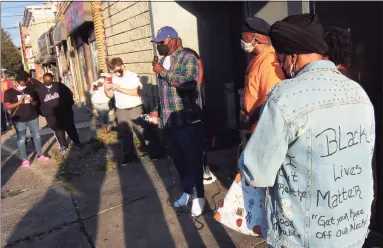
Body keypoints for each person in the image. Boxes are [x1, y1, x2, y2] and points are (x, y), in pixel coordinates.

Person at [239, 14, 375, 247]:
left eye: (280, 57)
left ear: (293, 56)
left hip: (302, 238)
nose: (279, 64)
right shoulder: (359, 93)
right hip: (352, 231)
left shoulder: (285, 97)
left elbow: (257, 173)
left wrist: (245, 153)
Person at [151, 26, 205, 216]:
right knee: (179, 160)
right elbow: (165, 93)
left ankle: (199, 197)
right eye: (157, 43)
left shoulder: (186, 58)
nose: (159, 46)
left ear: (173, 40)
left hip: (186, 120)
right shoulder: (164, 61)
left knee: (193, 159)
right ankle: (187, 192)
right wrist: (157, 111)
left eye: (161, 42)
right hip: (169, 122)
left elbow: (189, 83)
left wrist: (163, 72)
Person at [240, 17, 285, 134]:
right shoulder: (256, 58)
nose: (242, 40)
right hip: (254, 125)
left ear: (256, 38)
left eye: (244, 37)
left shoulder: (269, 60)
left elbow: (269, 95)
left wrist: (249, 117)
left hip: (261, 126)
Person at [104, 57, 146, 163]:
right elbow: (110, 95)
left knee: (142, 130)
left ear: (123, 65)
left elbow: (137, 92)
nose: (116, 73)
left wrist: (120, 89)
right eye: (114, 71)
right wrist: (106, 89)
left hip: (135, 107)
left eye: (118, 70)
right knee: (125, 133)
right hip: (121, 110)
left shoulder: (133, 76)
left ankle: (153, 151)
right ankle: (129, 156)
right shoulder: (113, 78)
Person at [4, 73, 49, 167]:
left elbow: (36, 103)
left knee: (36, 135)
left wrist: (32, 100)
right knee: (21, 139)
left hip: (33, 116)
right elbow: (7, 106)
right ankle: (25, 160)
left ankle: (39, 155)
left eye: (24, 83)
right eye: (21, 83)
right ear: (16, 82)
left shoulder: (30, 90)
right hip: (19, 119)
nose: (23, 85)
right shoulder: (9, 92)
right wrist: (18, 103)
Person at [34, 73, 83, 152]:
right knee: (58, 130)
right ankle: (63, 145)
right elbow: (37, 103)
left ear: (53, 79)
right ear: (43, 80)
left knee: (70, 128)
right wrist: (43, 112)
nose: (48, 82)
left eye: (50, 80)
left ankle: (77, 143)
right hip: (50, 115)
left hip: (65, 112)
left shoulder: (60, 86)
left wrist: (69, 105)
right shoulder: (39, 90)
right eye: (46, 80)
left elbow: (69, 94)